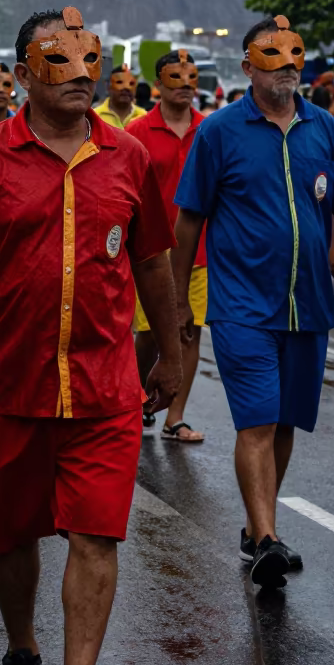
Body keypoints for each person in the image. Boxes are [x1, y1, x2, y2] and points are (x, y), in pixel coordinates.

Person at [0, 7, 182, 665]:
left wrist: (174, 351)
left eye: (90, 60)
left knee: (97, 532)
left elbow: (154, 259)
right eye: (60, 61)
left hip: (104, 387)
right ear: (26, 70)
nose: (81, 75)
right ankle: (21, 651)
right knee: (12, 536)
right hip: (6, 384)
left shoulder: (128, 156)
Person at [172, 15, 334, 588]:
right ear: (247, 67)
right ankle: (265, 537)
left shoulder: (324, 129)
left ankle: (258, 524)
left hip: (308, 303)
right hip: (242, 305)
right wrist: (177, 299)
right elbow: (190, 219)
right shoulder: (219, 132)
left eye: (294, 55)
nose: (288, 64)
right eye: (273, 55)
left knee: (285, 421)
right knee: (257, 420)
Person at [127, 50, 206, 443]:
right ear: (158, 84)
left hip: (201, 252)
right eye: (175, 77)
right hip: (151, 251)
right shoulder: (138, 132)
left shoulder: (209, 130)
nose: (186, 84)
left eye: (191, 77)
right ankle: (138, 398)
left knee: (189, 331)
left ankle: (176, 415)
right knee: (151, 332)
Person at [96, 65, 147, 130]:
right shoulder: (95, 117)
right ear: (108, 87)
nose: (126, 88)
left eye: (131, 83)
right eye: (119, 82)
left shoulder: (144, 116)